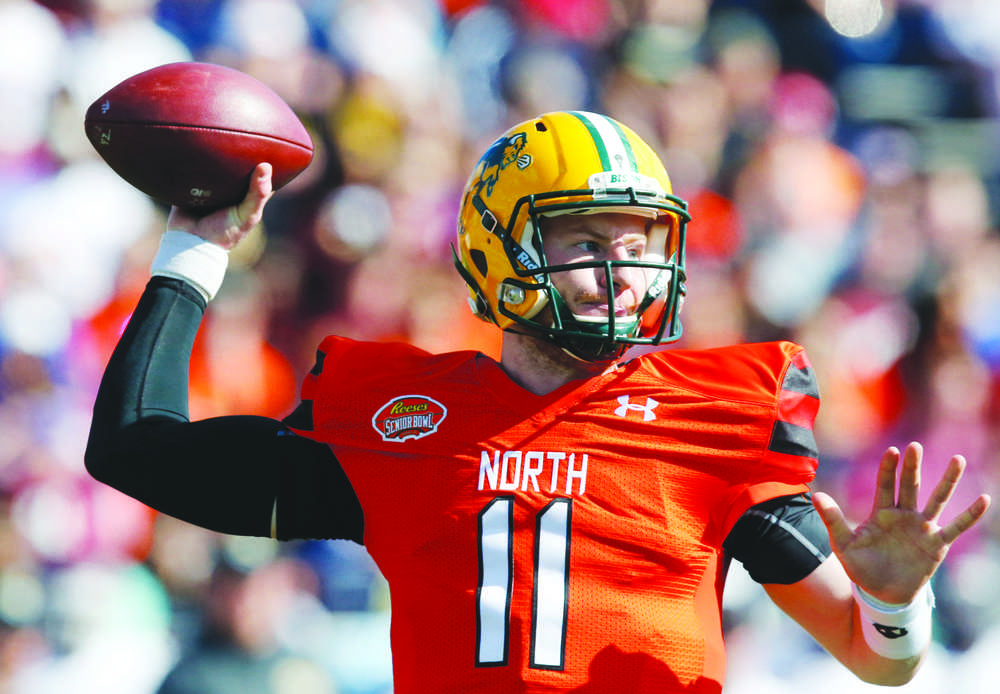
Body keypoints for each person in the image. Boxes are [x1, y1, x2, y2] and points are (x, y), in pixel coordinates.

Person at [86, 110, 991, 693]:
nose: (619, 268)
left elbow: (881, 659)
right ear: (496, 250)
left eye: (639, 240)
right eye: (584, 238)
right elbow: (134, 447)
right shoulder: (399, 420)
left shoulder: (711, 420)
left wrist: (891, 601)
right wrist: (195, 251)